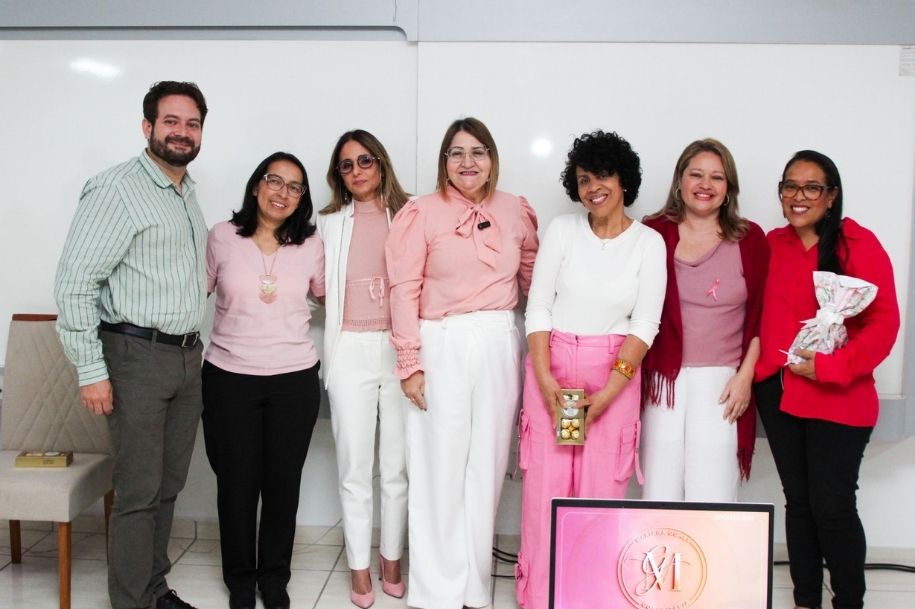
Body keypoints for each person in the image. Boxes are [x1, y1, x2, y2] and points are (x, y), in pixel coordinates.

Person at [54, 81, 209, 609]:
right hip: (135, 358)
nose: (182, 133)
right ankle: (130, 602)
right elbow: (75, 283)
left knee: (167, 487)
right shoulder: (116, 189)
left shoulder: (186, 191)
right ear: (148, 127)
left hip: (187, 359)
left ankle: (153, 588)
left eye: (191, 124)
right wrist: (91, 370)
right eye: (171, 121)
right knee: (139, 492)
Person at [386, 117, 539, 609]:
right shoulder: (421, 212)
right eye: (456, 153)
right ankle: (435, 592)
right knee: (439, 466)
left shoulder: (515, 210)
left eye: (478, 152)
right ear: (443, 161)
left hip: (497, 339)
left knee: (487, 465)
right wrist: (409, 361)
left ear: (493, 158)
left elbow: (535, 279)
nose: (467, 162)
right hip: (442, 340)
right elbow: (403, 288)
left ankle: (474, 587)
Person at [514, 130, 666, 609]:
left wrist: (609, 391)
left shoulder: (649, 243)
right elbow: (537, 306)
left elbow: (645, 324)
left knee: (602, 492)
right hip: (553, 367)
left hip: (614, 371)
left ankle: (592, 596)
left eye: (602, 175)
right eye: (582, 179)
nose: (592, 187)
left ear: (623, 180)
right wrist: (545, 381)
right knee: (545, 490)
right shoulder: (561, 230)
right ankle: (539, 597)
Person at [754, 150, 899, 609]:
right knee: (798, 502)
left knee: (832, 506)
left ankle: (848, 603)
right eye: (789, 186)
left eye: (811, 187)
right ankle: (804, 601)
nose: (799, 197)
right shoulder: (770, 245)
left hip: (841, 394)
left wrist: (830, 367)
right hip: (778, 393)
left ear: (831, 195)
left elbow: (884, 325)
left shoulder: (859, 243)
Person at [201, 152, 325, 609]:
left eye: (295, 187)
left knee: (282, 483)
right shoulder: (221, 237)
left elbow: (337, 296)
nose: (283, 193)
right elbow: (190, 287)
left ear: (302, 199)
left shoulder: (311, 244)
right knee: (235, 482)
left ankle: (274, 578)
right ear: (257, 186)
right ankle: (239, 579)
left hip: (293, 380)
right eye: (275, 181)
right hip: (229, 376)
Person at [640, 138, 769, 502]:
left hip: (723, 381)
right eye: (696, 174)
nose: (705, 185)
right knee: (659, 490)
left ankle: (711, 561)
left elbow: (761, 317)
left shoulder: (750, 239)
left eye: (717, 177)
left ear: (729, 189)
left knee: (712, 493)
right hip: (663, 379)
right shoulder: (653, 232)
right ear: (680, 180)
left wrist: (745, 379)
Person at [316, 130, 410, 609]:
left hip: (400, 350)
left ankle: (391, 558)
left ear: (381, 163)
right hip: (349, 348)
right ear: (339, 175)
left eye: (364, 161)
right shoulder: (328, 222)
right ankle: (358, 567)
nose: (356, 172)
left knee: (396, 466)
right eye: (346, 165)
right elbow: (314, 282)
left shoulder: (409, 213)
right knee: (355, 466)